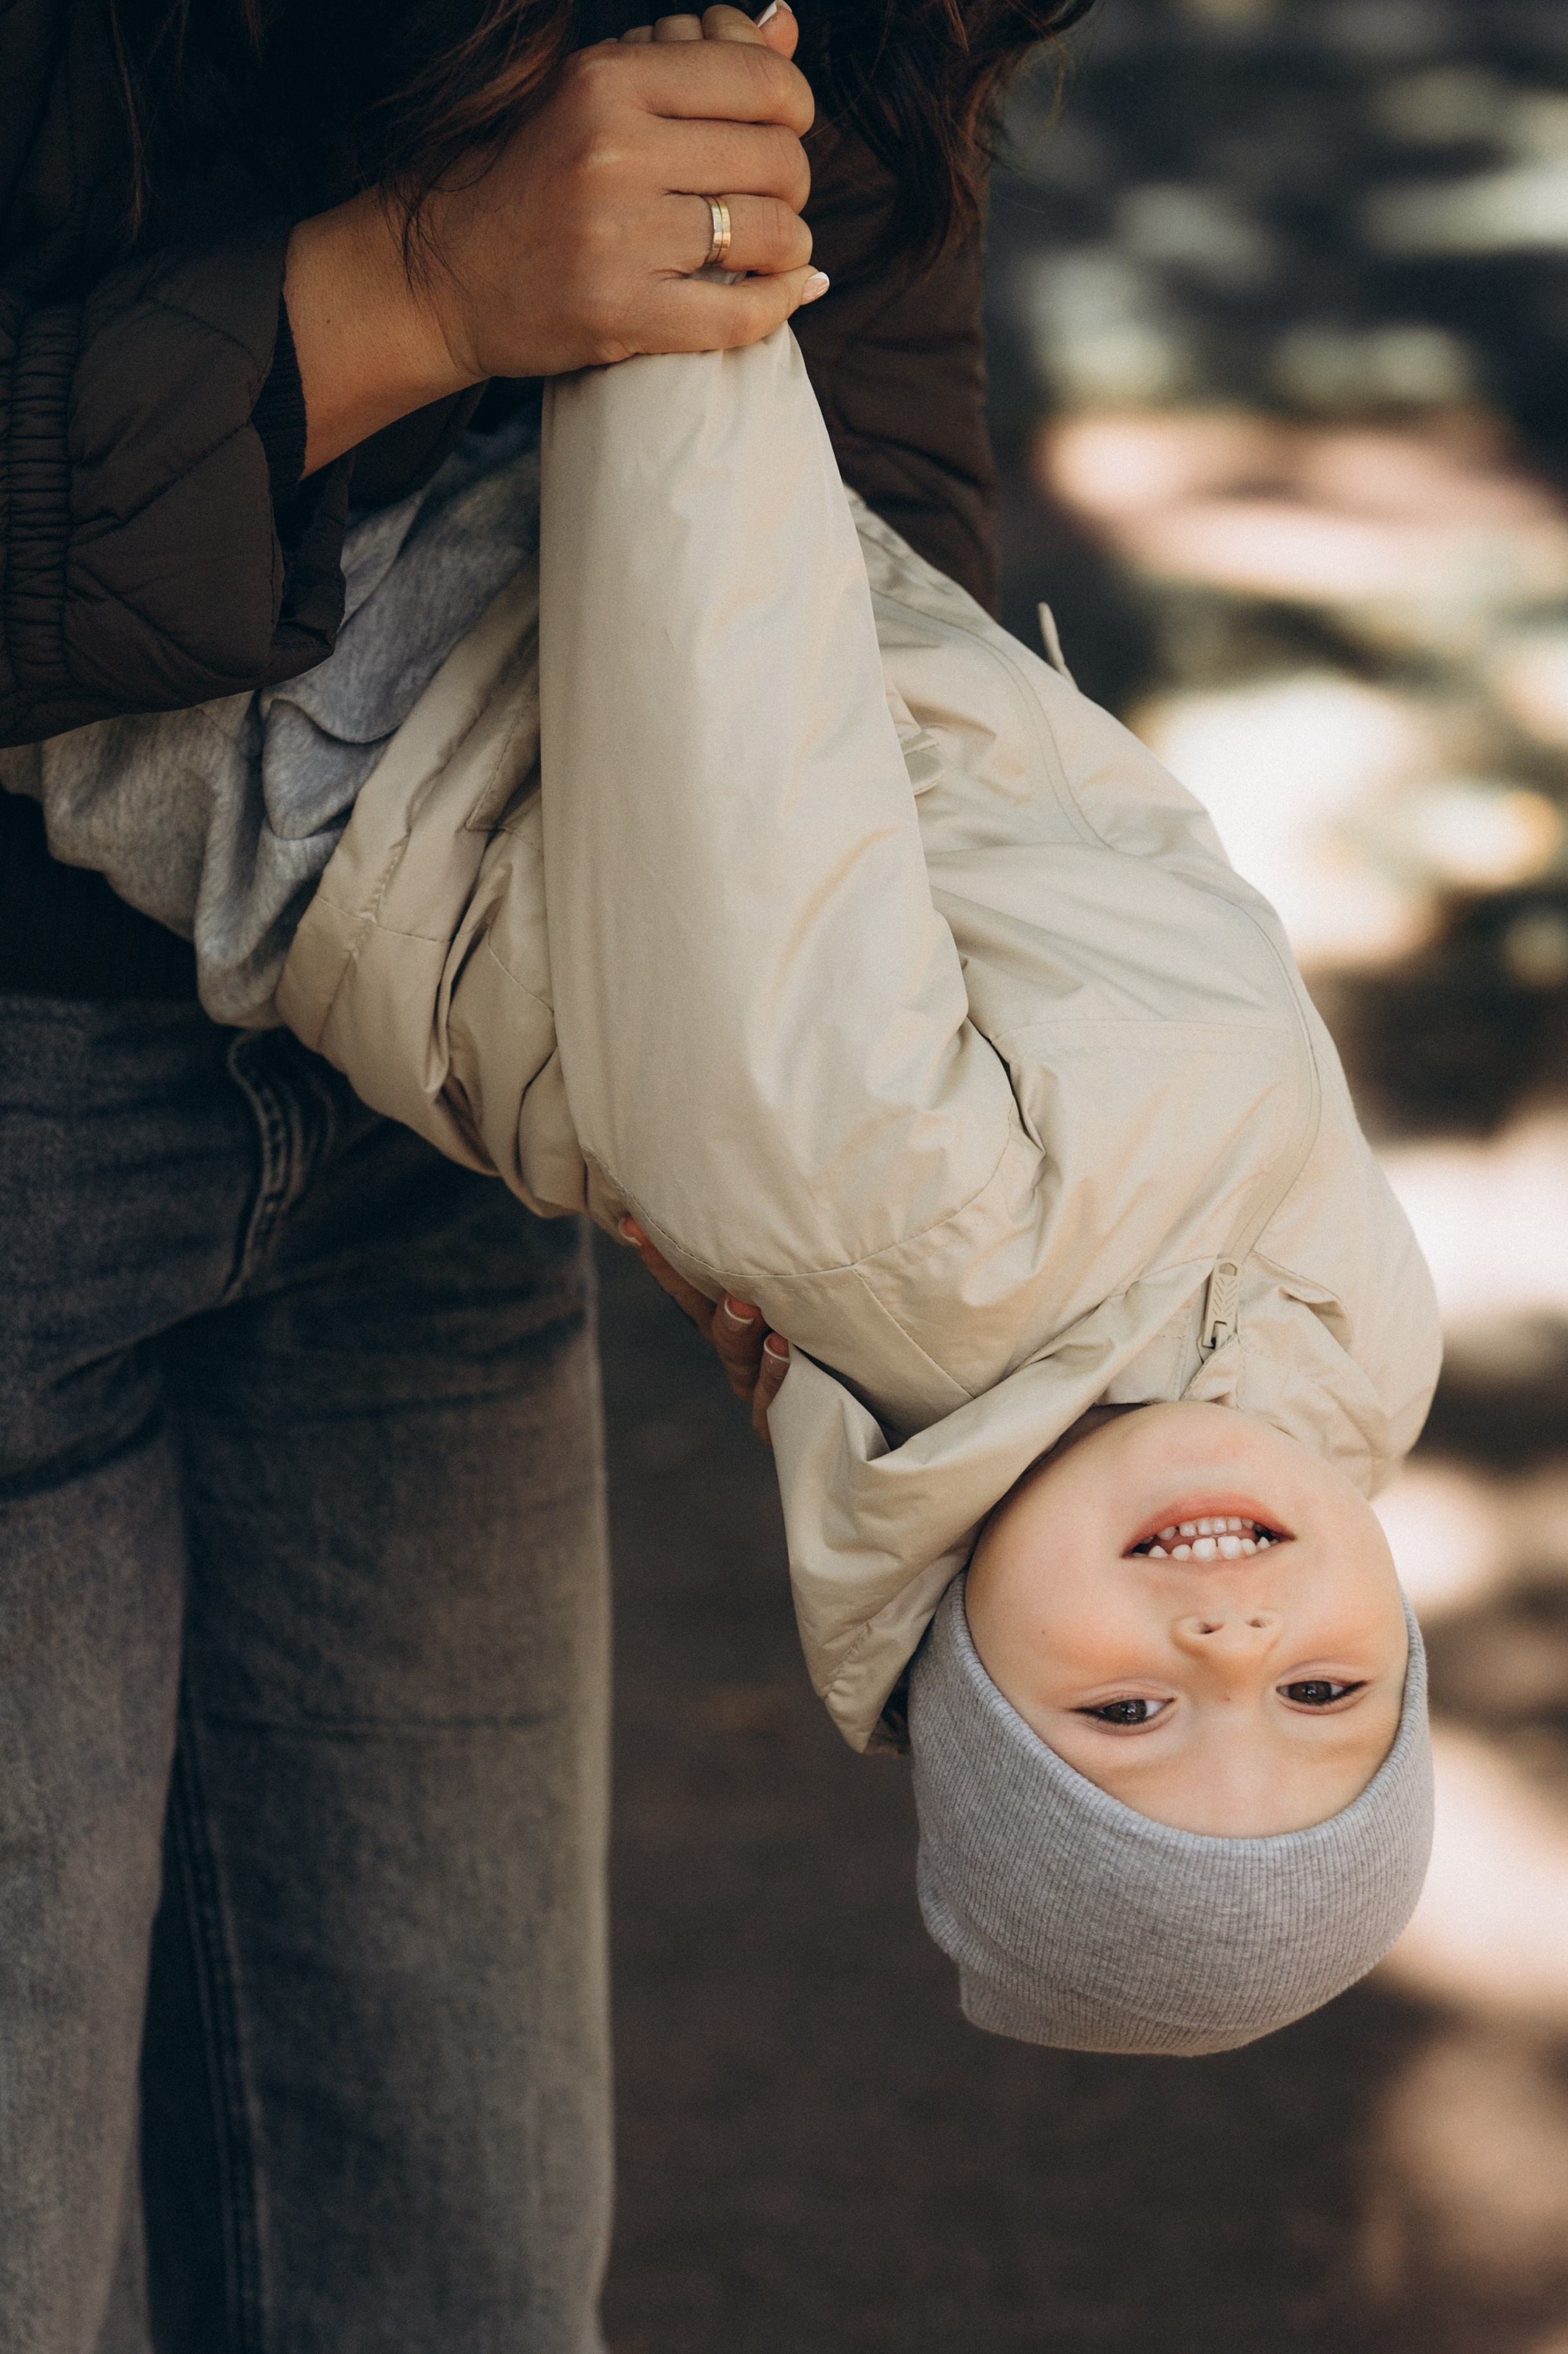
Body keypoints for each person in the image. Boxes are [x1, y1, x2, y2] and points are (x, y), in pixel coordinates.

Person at [0, 0, 1087, 2342]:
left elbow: (853, 407)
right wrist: (410, 296)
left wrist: (782, 1056)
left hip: (441, 1125)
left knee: (463, 2269)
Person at [263, 101, 1443, 2053]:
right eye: (1328, 1698)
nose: (1235, 1645)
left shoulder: (906, 1220)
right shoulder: (1345, 1365)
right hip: (685, 555)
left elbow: (707, 637)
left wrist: (675, 143)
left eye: (1127, 1717)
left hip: (365, 618)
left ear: (959, 1684)